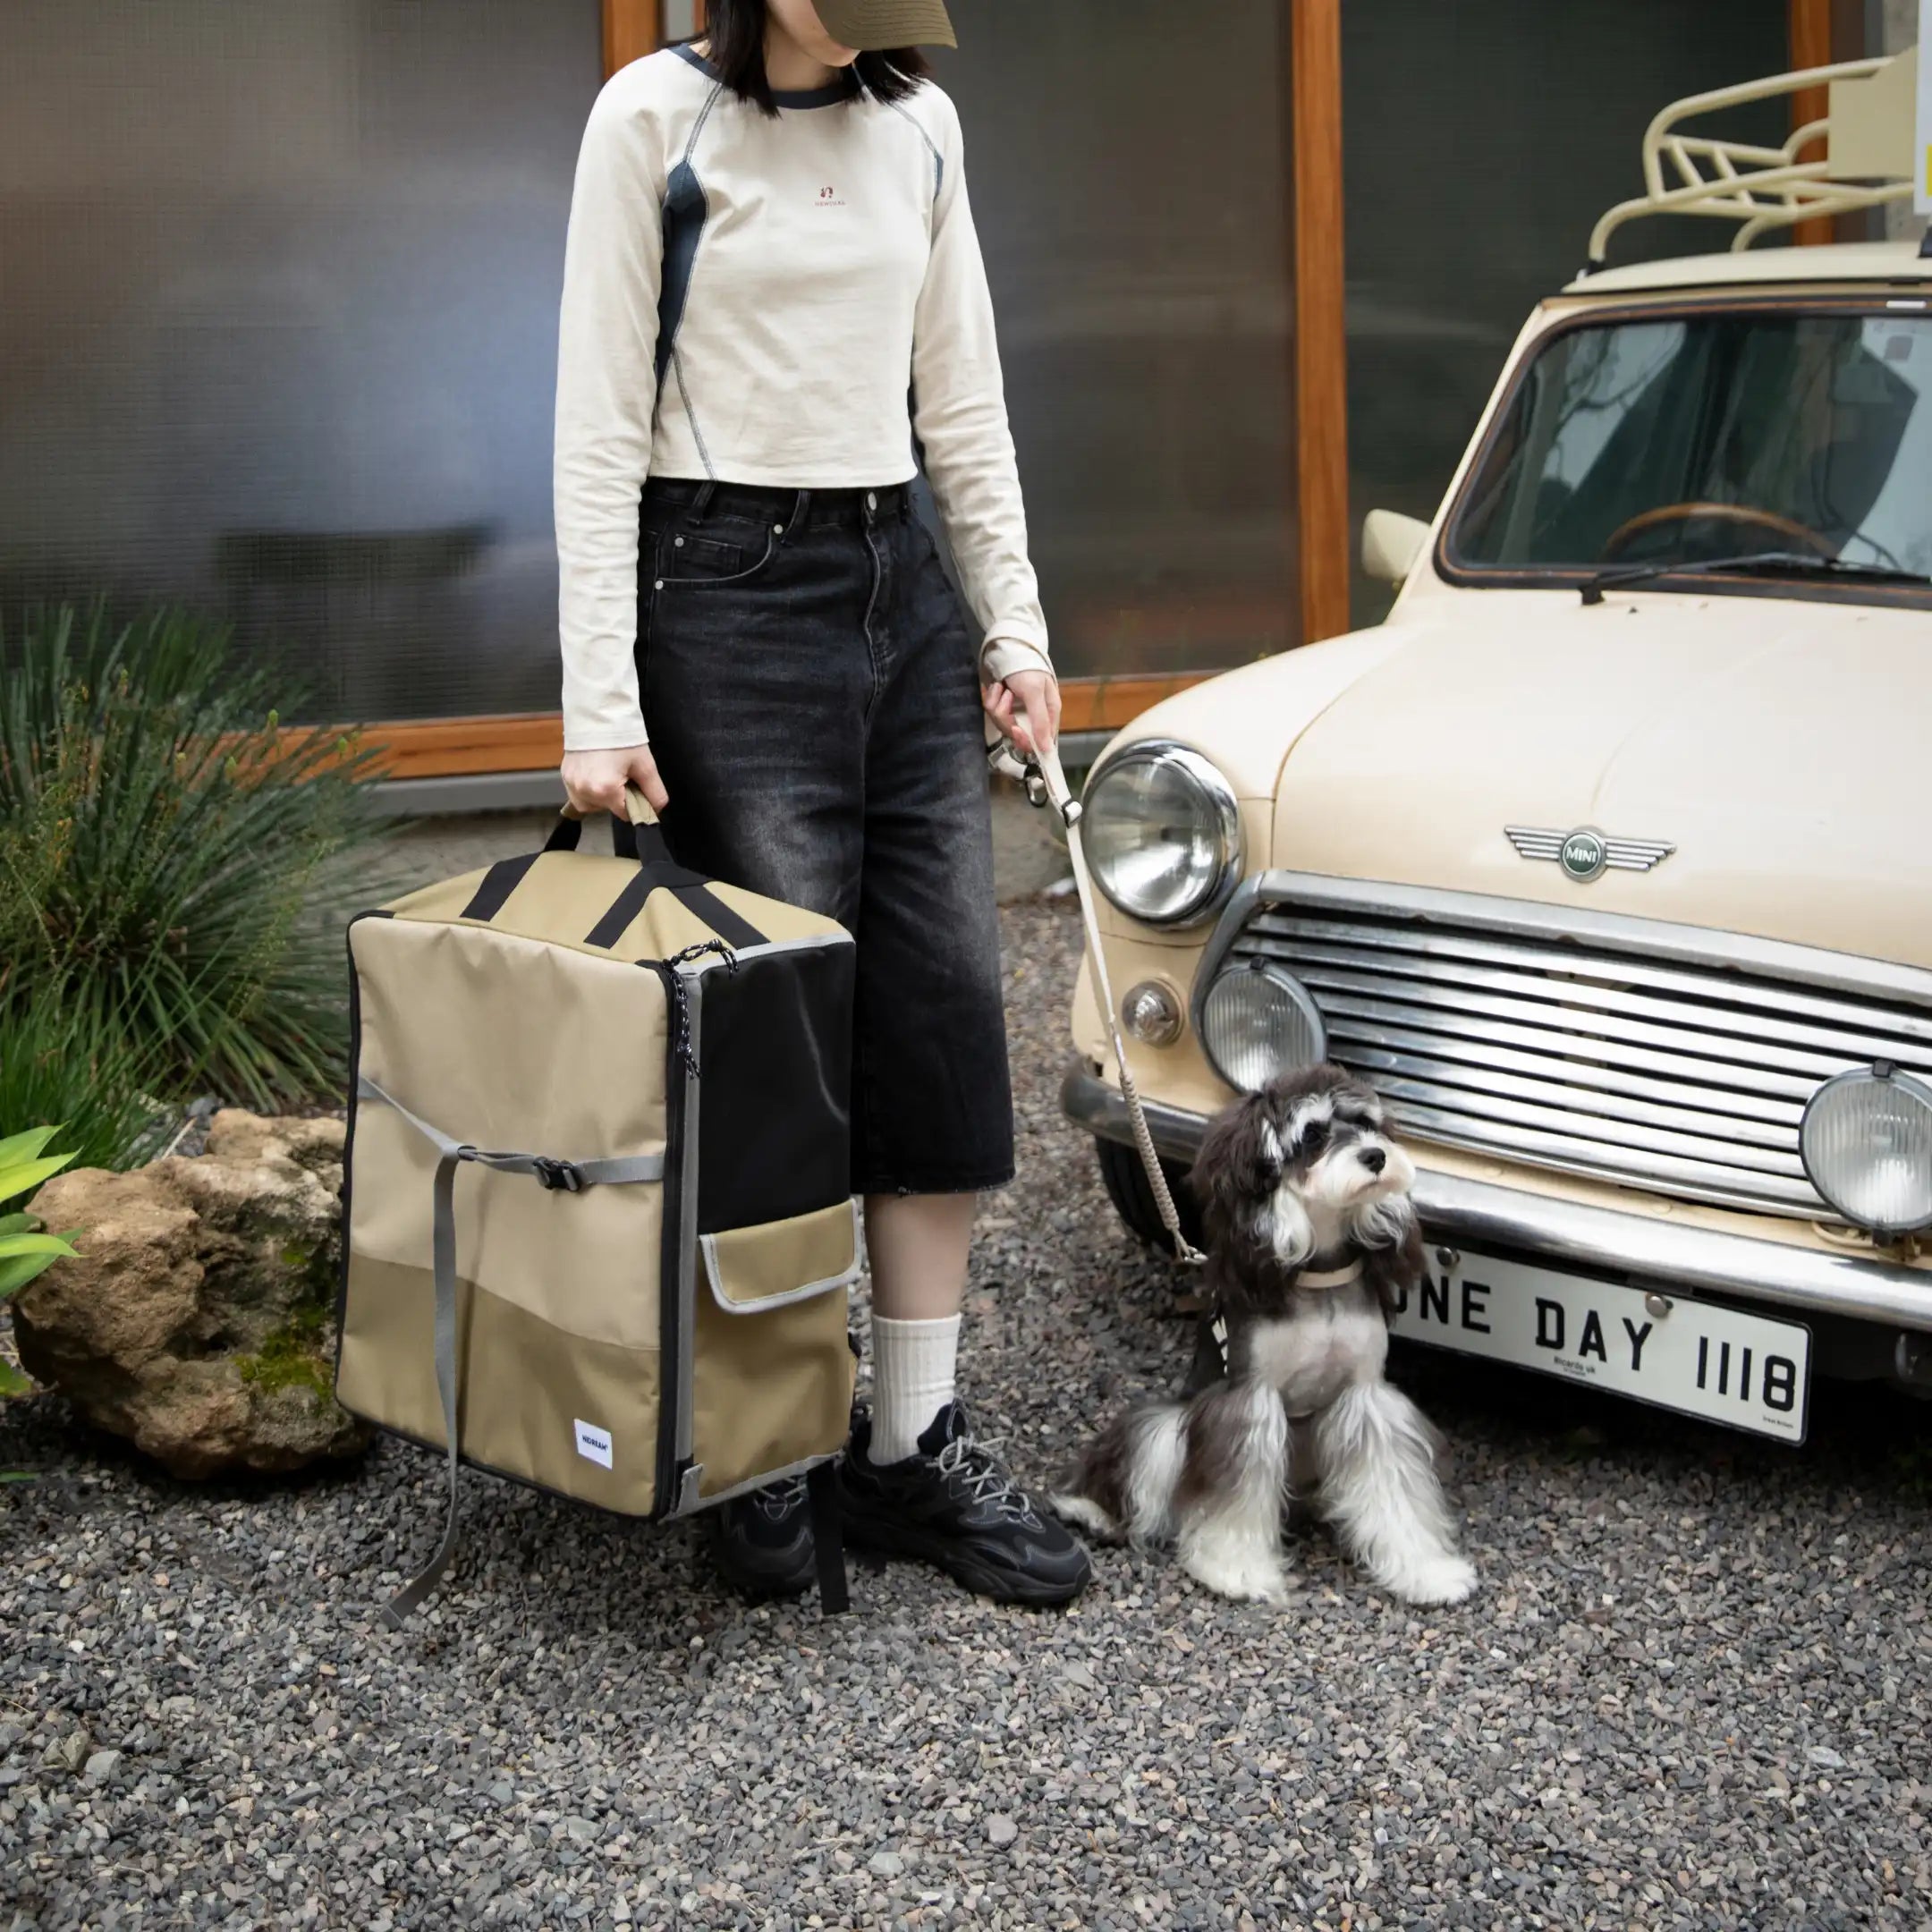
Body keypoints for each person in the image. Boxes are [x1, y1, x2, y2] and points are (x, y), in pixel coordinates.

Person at [552, 0, 1089, 1606]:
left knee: (935, 1006)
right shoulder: (650, 120)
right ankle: (764, 1440)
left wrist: (1015, 630)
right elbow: (593, 424)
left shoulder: (923, 126)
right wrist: (598, 696)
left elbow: (964, 404)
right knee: (776, 1040)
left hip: (897, 584)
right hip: (721, 594)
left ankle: (911, 1451)